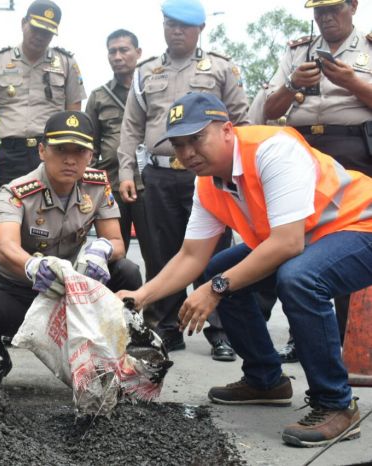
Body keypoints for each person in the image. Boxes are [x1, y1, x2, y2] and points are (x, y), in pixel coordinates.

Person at [119, 92, 372, 448]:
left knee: (297, 278)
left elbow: (287, 244)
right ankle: (266, 380)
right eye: (178, 145)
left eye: (196, 139)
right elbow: (191, 255)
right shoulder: (206, 182)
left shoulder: (272, 150)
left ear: (226, 130)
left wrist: (217, 288)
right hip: (311, 238)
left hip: (360, 226)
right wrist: (139, 296)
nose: (188, 153)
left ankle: (337, 404)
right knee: (215, 269)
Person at [116, 0, 250, 361]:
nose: (176, 31)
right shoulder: (147, 72)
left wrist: (240, 175)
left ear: (200, 30)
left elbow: (240, 121)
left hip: (206, 174)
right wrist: (127, 171)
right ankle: (166, 327)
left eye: (185, 26)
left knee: (215, 251)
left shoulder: (220, 68)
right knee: (160, 251)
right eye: (170, 23)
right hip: (159, 172)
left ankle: (220, 330)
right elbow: (131, 126)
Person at [0, 111, 142, 381]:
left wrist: (101, 251)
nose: (70, 159)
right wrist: (33, 265)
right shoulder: (17, 191)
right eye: (60, 149)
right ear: (42, 150)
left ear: (91, 155)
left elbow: (117, 242)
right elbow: (6, 249)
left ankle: (119, 359)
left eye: (80, 151)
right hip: (23, 292)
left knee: (127, 272)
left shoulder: (97, 186)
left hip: (73, 290)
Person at [263, 0, 372, 363]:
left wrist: (353, 83)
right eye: (319, 10)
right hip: (302, 148)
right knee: (300, 239)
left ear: (353, 6)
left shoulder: (369, 47)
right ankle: (304, 335)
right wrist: (293, 82)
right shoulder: (297, 51)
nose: (326, 17)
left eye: (335, 8)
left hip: (352, 146)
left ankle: (351, 337)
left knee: (348, 240)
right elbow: (269, 109)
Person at [0, 0, 86, 204]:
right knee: (11, 213)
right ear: (23, 23)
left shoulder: (66, 64)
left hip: (54, 151)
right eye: (36, 28)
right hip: (12, 153)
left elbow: (75, 119)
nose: (40, 36)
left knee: (54, 215)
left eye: (47, 32)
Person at [85, 29, 155, 278]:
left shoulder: (153, 89)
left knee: (156, 252)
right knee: (112, 252)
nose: (117, 56)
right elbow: (89, 146)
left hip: (150, 183)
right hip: (111, 186)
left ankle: (159, 315)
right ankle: (115, 309)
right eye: (112, 51)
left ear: (138, 53)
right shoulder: (98, 96)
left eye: (124, 50)